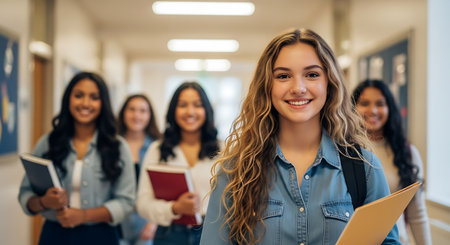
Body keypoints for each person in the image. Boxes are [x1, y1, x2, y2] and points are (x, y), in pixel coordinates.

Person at [200, 28, 400, 245]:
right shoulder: (235, 171)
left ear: (329, 83)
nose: (298, 88)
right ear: (267, 86)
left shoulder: (365, 167)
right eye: (283, 76)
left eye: (312, 74)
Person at [18, 72, 135, 245]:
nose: (85, 103)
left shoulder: (118, 146)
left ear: (103, 103)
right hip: (55, 235)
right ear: (68, 99)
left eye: (94, 97)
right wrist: (44, 202)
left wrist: (83, 216)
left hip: (102, 236)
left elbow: (126, 201)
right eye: (78, 95)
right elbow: (25, 195)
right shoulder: (48, 142)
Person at [136, 82, 220, 245]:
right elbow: (143, 204)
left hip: (212, 232)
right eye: (183, 105)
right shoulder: (157, 149)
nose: (190, 112)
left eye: (197, 105)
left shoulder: (224, 150)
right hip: (169, 234)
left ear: (207, 110)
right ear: (173, 110)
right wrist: (175, 208)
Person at [352, 79, 432, 245]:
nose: (372, 110)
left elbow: (417, 213)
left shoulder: (407, 152)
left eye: (380, 104)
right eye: (364, 103)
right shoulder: (343, 149)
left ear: (390, 109)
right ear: (352, 108)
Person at [117, 94, 162, 245]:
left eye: (143, 111)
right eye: (132, 109)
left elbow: (162, 189)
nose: (137, 115)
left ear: (150, 116)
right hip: (116, 223)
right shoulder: (112, 146)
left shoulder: (158, 148)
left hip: (147, 225)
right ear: (124, 113)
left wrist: (153, 223)